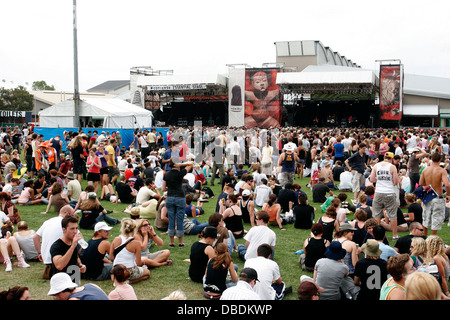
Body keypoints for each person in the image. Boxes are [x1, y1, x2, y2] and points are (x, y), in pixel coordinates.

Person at [34, 205, 75, 279]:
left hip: (47, 259)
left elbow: (35, 237)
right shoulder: (68, 225)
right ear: (67, 214)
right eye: (72, 216)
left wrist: (40, 253)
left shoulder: (48, 221)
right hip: (59, 260)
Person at [162, 158, 193, 247]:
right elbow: (191, 163)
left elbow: (163, 188)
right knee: (180, 219)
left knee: (171, 220)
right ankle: (180, 242)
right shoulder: (181, 173)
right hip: (180, 197)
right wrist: (181, 164)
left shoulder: (166, 174)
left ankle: (171, 242)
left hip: (170, 197)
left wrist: (171, 188)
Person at [419, 151, 450, 236]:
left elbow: (421, 183)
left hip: (428, 195)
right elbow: (447, 184)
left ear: (431, 159)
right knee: (436, 218)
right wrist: (448, 195)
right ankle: (432, 238)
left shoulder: (425, 170)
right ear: (440, 160)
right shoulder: (442, 170)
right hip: (437, 196)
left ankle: (425, 236)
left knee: (426, 217)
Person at [370, 151, 400, 239]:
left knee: (377, 214)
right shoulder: (392, 167)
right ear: (391, 159)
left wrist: (380, 180)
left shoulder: (376, 165)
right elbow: (395, 182)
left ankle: (377, 234)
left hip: (379, 192)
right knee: (393, 215)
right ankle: (395, 235)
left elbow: (372, 179)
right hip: (389, 192)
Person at [110, 218, 150, 284]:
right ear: (134, 229)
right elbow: (138, 263)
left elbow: (111, 257)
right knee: (147, 273)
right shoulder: (136, 243)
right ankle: (129, 281)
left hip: (116, 271)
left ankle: (117, 279)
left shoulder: (116, 239)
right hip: (129, 271)